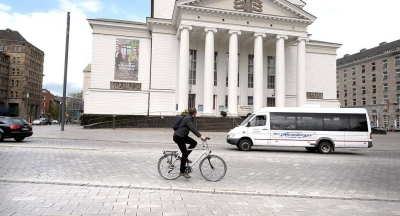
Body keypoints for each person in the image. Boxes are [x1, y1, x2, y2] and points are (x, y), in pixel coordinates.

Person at [173, 108, 206, 178]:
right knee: (184, 154)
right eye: (196, 114)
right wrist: (200, 136)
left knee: (194, 143)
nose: (196, 115)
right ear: (194, 114)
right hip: (179, 137)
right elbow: (192, 128)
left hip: (182, 136)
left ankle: (185, 158)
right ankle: (182, 172)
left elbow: (192, 127)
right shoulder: (188, 118)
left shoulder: (189, 117)